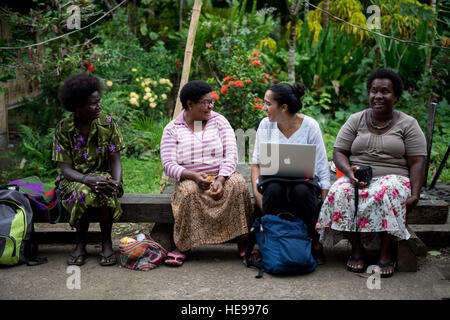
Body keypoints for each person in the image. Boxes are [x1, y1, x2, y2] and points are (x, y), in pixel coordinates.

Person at [316, 68, 426, 278]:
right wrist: (348, 171)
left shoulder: (408, 124)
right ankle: (357, 248)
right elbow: (339, 151)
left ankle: (386, 251)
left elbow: (417, 161)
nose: (378, 96)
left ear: (396, 96)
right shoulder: (356, 119)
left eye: (385, 91)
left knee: (387, 192)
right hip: (358, 175)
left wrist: (415, 195)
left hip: (394, 177)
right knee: (339, 192)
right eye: (374, 91)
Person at [160, 80, 254, 266]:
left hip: (221, 174)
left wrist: (221, 177)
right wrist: (192, 175)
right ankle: (184, 246)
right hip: (190, 178)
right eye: (206, 102)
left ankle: (244, 242)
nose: (210, 106)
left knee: (238, 185)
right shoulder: (172, 129)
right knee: (188, 192)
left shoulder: (219, 121)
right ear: (190, 104)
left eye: (212, 102)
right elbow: (168, 164)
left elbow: (231, 154)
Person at [251, 82, 331, 265]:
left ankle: (312, 241)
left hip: (304, 184)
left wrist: (324, 199)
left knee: (301, 191)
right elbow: (256, 164)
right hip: (274, 183)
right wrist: (257, 194)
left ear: (283, 107)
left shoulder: (310, 126)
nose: (264, 108)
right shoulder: (266, 125)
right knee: (273, 189)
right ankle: (269, 242)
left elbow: (321, 165)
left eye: (268, 104)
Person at [52, 73, 125, 266]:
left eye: (99, 101)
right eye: (92, 103)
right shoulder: (64, 128)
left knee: (103, 189)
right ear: (77, 106)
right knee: (84, 191)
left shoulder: (107, 124)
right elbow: (65, 169)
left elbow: (115, 159)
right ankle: (80, 242)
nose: (98, 106)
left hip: (105, 176)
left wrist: (116, 183)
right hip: (74, 179)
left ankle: (106, 241)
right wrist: (86, 180)